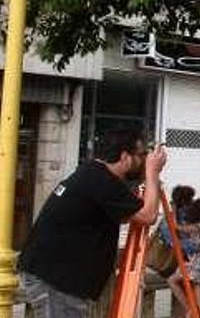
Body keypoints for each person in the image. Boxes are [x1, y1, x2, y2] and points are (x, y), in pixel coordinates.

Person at [19, 130, 167, 318]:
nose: (144, 160)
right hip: (55, 280)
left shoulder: (94, 173)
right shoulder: (102, 181)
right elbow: (148, 216)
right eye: (142, 155)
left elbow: (124, 214)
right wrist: (152, 173)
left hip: (53, 275)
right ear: (125, 157)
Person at [168, 198, 200, 318]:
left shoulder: (197, 227)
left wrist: (173, 211)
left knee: (172, 280)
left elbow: (175, 226)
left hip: (198, 266)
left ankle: (191, 309)